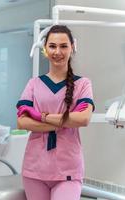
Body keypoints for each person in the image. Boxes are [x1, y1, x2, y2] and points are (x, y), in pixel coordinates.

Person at [16, 25, 95, 200]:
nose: (57, 51)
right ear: (45, 48)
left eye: (63, 46)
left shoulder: (83, 84)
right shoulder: (33, 84)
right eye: (52, 46)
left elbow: (83, 118)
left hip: (68, 169)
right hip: (34, 169)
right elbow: (22, 122)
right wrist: (64, 122)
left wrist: (41, 116)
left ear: (72, 47)